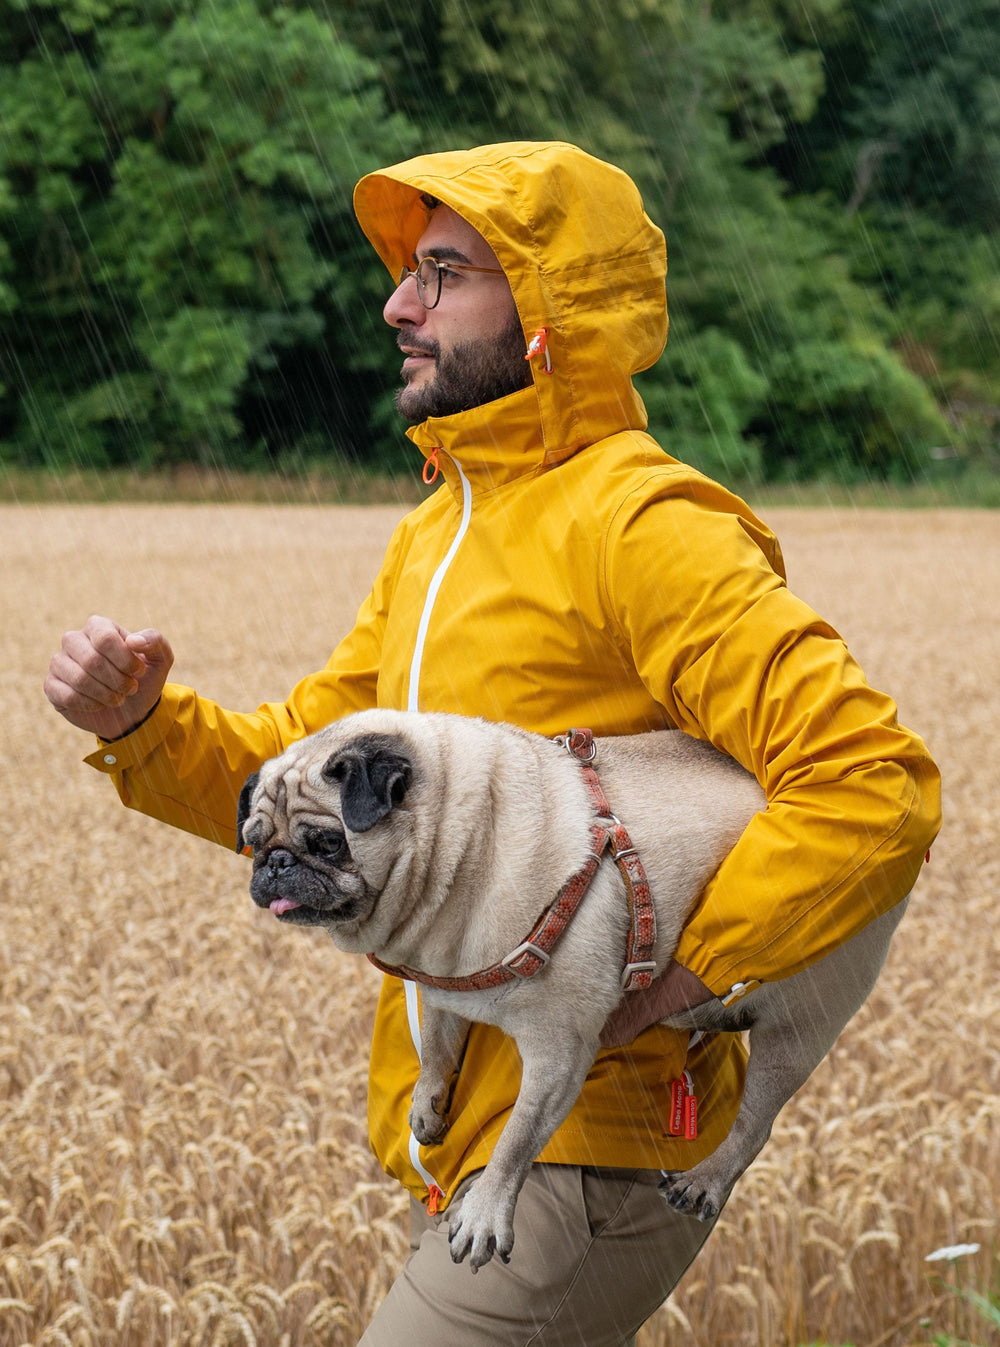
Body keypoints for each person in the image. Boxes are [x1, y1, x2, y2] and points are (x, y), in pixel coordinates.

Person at [44, 141, 941, 1345]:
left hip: (589, 1154)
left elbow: (869, 782)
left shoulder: (644, 529)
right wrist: (143, 727)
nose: (396, 304)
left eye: (443, 274)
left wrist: (682, 979)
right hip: (466, 1139)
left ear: (548, 313)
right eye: (409, 274)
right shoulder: (434, 538)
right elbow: (301, 773)